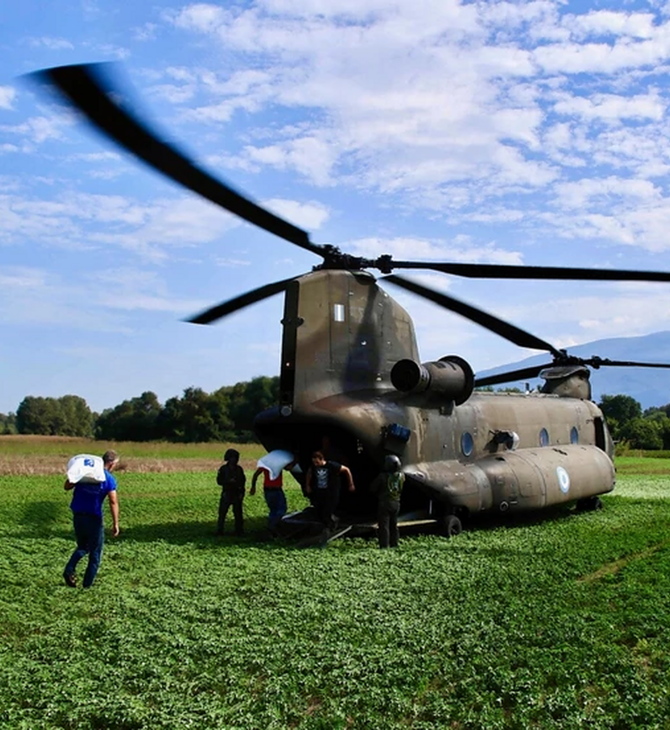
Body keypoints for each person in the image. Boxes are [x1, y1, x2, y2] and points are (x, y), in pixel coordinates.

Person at [63, 450, 120, 588]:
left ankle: (69, 569)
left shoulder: (85, 473)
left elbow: (66, 486)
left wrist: (75, 477)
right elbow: (113, 501)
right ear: (111, 464)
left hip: (78, 516)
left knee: (83, 546)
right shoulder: (108, 478)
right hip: (94, 519)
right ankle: (87, 586)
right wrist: (115, 523)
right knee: (95, 552)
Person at [305, 450, 355, 535]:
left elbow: (346, 470)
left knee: (327, 511)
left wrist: (351, 484)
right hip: (320, 492)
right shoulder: (313, 467)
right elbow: (309, 474)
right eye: (314, 462)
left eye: (317, 462)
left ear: (322, 459)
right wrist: (308, 486)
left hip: (331, 492)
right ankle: (325, 526)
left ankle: (331, 526)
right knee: (319, 510)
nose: (315, 464)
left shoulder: (332, 466)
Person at [250, 452, 296, 535]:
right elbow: (289, 467)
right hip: (276, 490)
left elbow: (255, 475)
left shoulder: (266, 466)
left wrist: (253, 487)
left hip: (268, 490)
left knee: (273, 510)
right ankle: (275, 526)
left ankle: (272, 527)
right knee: (281, 509)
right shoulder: (278, 464)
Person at [370, 455, 405, 549]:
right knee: (394, 525)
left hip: (385, 503)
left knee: (384, 525)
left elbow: (373, 488)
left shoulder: (383, 477)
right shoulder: (402, 476)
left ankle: (384, 545)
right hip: (396, 502)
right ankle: (394, 544)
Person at [216, 448, 246, 536]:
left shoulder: (239, 469)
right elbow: (219, 481)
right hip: (227, 493)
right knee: (222, 513)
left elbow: (243, 481)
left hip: (237, 493)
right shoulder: (223, 469)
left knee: (238, 514)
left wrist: (242, 493)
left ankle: (239, 530)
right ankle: (220, 530)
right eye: (234, 457)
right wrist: (228, 481)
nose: (236, 459)